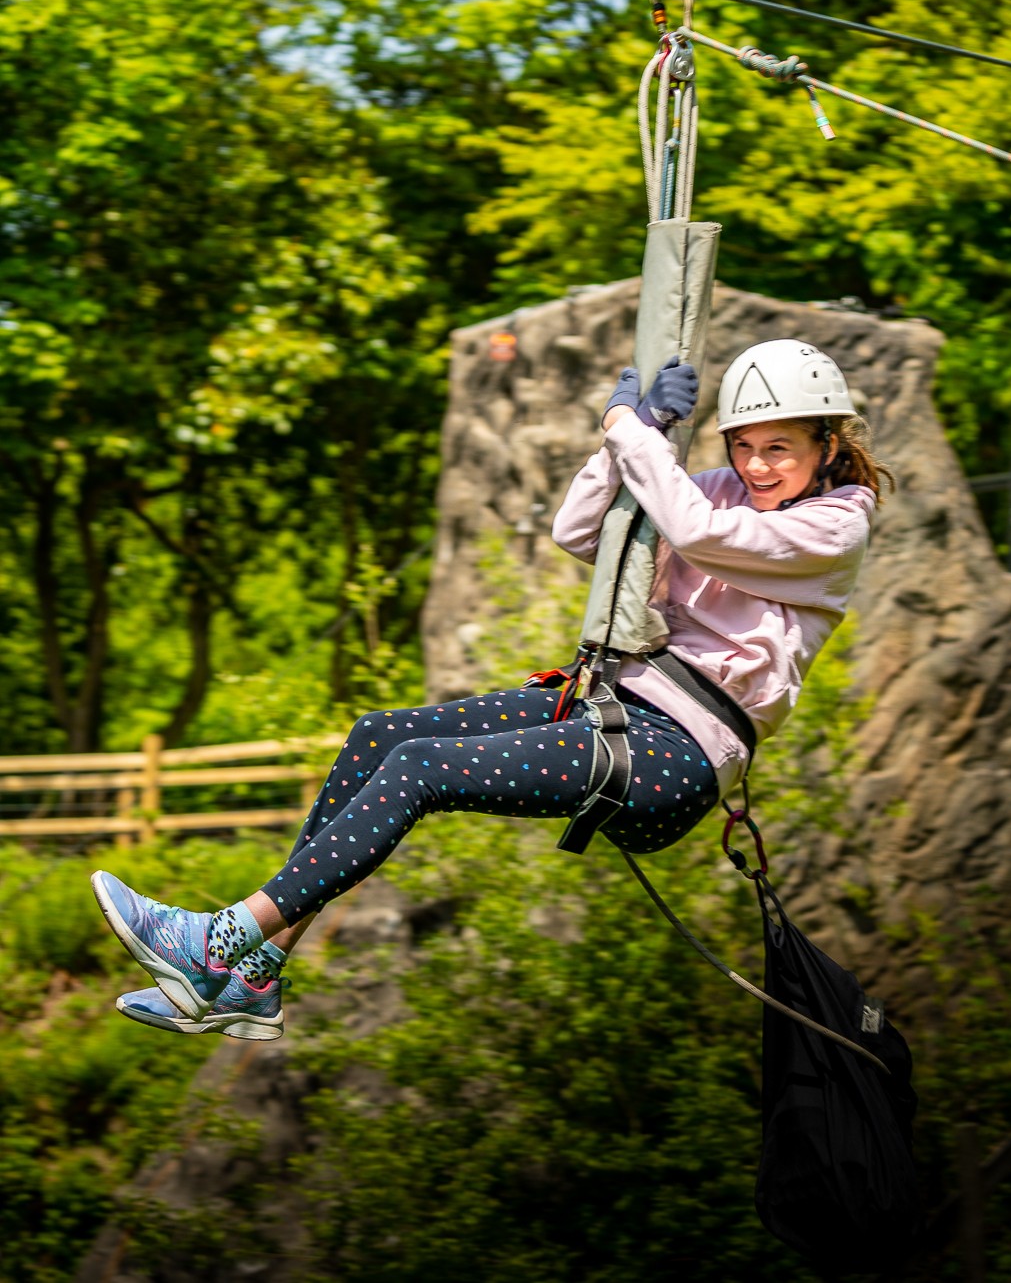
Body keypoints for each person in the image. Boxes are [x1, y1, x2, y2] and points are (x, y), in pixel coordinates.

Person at [94, 338, 891, 1042]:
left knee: (421, 772)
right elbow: (579, 533)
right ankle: (253, 978)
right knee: (381, 736)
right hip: (615, 697)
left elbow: (700, 537)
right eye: (743, 445)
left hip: (677, 751)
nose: (756, 466)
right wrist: (619, 444)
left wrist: (634, 434)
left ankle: (221, 939)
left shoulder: (834, 525)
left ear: (828, 446)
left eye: (778, 448)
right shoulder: (718, 489)